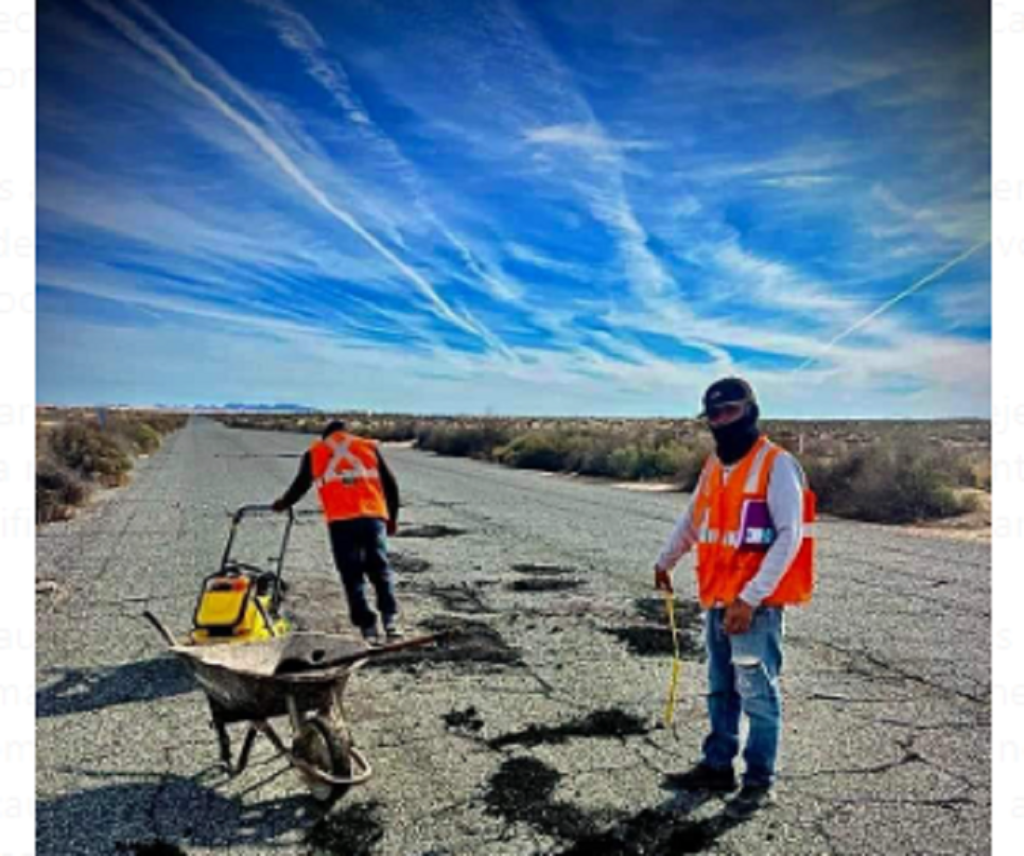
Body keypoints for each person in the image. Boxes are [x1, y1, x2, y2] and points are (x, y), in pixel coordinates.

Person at [653, 377, 816, 817]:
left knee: (758, 695)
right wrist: (665, 561)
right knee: (720, 689)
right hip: (718, 600)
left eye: (730, 411)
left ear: (751, 410)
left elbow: (790, 537)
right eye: (714, 415)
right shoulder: (715, 466)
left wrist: (750, 598)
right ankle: (717, 766)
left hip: (754, 607)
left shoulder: (776, 464)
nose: (722, 421)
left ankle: (759, 781)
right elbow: (693, 519)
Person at [272, 420, 402, 645]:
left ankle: (368, 628)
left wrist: (282, 504)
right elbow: (391, 485)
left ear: (326, 436)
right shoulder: (367, 446)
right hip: (373, 517)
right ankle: (391, 622)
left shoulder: (316, 452)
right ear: (346, 433)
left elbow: (300, 486)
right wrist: (392, 519)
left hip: (342, 521)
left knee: (352, 576)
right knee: (379, 568)